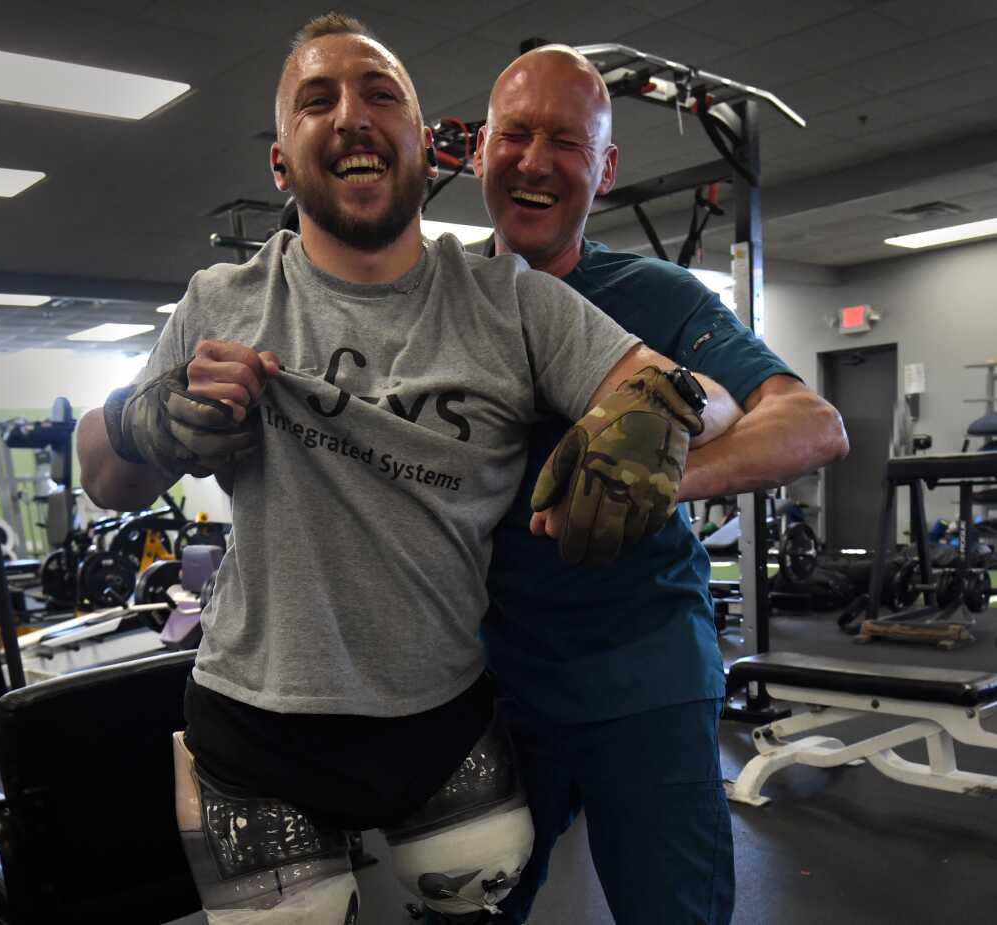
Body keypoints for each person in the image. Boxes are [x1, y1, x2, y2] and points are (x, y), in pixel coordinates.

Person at [78, 16, 742, 924]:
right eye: (317, 101)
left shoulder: (514, 302)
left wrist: (655, 412)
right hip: (253, 727)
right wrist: (142, 419)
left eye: (380, 94)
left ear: (428, 148)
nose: (352, 115)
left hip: (445, 724)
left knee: (484, 900)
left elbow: (702, 393)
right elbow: (102, 476)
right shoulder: (220, 302)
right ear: (281, 163)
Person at [473, 45, 850, 925]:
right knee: (466, 912)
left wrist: (656, 478)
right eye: (515, 135)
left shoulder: (656, 294)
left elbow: (812, 424)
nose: (534, 162)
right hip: (492, 684)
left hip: (641, 676)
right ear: (479, 149)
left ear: (604, 170)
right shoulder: (441, 300)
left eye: (566, 142)